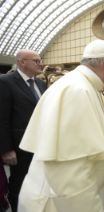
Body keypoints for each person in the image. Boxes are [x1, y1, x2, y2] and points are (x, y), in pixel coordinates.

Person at [17, 40, 104, 212]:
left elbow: (103, 105)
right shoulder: (76, 91)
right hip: (58, 203)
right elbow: (72, 179)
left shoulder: (82, 83)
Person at [0, 50, 47, 212]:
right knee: (19, 184)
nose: (40, 64)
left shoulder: (41, 84)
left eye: (40, 61)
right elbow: (2, 118)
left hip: (42, 144)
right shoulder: (5, 81)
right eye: (36, 61)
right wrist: (6, 149)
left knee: (39, 182)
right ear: (22, 62)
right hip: (19, 147)